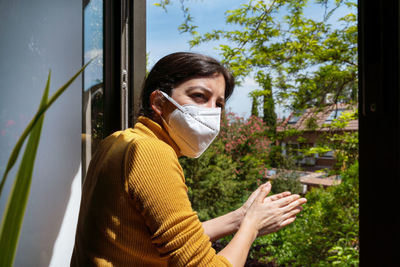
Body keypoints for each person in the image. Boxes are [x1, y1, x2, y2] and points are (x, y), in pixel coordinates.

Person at [71, 52, 307, 267]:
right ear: (159, 103)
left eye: (219, 104)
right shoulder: (152, 152)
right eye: (199, 96)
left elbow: (166, 240)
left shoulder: (118, 141)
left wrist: (239, 218)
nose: (211, 111)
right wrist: (251, 227)